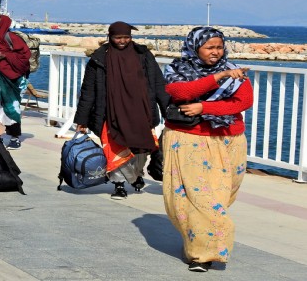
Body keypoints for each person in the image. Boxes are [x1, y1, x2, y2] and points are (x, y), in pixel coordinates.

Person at [162, 26, 253, 272]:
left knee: (222, 196)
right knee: (199, 198)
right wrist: (219, 77)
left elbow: (243, 102)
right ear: (195, 47)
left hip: (229, 139)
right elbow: (181, 92)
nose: (216, 52)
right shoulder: (178, 69)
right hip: (189, 139)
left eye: (219, 47)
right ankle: (201, 254)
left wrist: (205, 108)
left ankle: (199, 238)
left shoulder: (235, 71)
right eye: (209, 47)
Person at [74, 21, 169, 200]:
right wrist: (82, 119)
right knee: (115, 148)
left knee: (141, 149)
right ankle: (119, 185)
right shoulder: (99, 59)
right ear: (110, 37)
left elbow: (158, 84)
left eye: (126, 37)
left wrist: (167, 111)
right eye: (118, 37)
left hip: (142, 111)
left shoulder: (143, 55)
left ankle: (136, 175)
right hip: (110, 112)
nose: (122, 41)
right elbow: (88, 90)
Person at [0, 15, 31, 150]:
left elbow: (25, 56)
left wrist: (5, 55)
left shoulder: (11, 38)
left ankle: (14, 138)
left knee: (12, 107)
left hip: (12, 79)